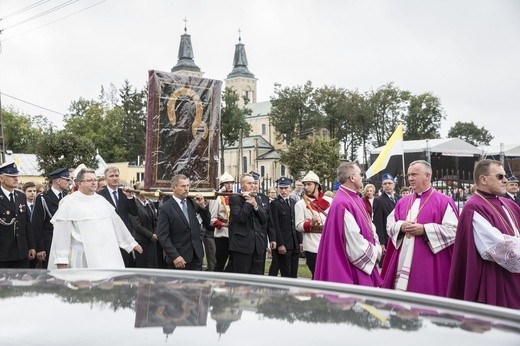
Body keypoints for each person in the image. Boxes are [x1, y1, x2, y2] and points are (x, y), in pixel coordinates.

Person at [447, 159, 520, 309]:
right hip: (496, 279)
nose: (505, 180)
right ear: (483, 179)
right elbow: (499, 248)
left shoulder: (509, 204)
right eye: (500, 176)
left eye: (505, 176)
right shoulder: (473, 207)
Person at [381, 160, 459, 297]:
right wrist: (401, 226)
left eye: (414, 174)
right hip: (403, 257)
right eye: (409, 175)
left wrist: (425, 230)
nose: (410, 178)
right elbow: (390, 225)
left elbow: (454, 231)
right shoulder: (402, 201)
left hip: (429, 263)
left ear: (427, 176)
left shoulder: (444, 201)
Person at [47, 168, 143, 269]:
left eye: (95, 180)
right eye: (89, 180)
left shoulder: (101, 200)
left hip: (103, 255)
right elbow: (61, 234)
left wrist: (130, 243)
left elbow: (117, 223)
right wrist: (62, 260)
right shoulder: (68, 202)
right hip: (82, 256)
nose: (94, 182)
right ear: (79, 183)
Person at [314, 162, 382, 286]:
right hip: (352, 266)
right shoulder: (342, 202)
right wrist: (376, 250)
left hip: (362, 256)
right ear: (352, 178)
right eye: (360, 174)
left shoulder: (354, 198)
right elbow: (354, 241)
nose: (362, 177)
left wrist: (375, 240)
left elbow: (368, 225)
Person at [157, 174, 211, 270]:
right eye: (183, 186)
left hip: (196, 256)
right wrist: (175, 256)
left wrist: (203, 206)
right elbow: (163, 236)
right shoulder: (165, 208)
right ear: (174, 188)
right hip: (179, 259)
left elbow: (207, 222)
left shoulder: (193, 203)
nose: (186, 189)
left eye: (187, 186)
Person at [98, 166, 141, 267]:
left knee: (124, 264)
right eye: (111, 176)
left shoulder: (125, 193)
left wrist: (130, 197)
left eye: (116, 175)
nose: (114, 178)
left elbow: (134, 213)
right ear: (106, 178)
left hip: (124, 236)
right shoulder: (100, 195)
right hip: (108, 236)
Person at [294, 170, 333, 279]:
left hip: (328, 243)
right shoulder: (300, 204)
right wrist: (310, 223)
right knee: (317, 275)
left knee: (329, 275)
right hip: (311, 244)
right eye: (305, 185)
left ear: (317, 185)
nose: (306, 187)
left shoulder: (330, 200)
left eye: (309, 184)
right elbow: (298, 226)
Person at [228, 173, 269, 274]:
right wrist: (248, 203)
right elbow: (241, 219)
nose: (253, 185)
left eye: (254, 183)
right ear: (242, 185)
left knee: (256, 280)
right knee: (242, 280)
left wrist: (255, 205)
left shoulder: (257, 199)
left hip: (257, 246)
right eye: (249, 183)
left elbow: (264, 219)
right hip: (242, 246)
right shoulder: (235, 199)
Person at [32, 167, 71, 269]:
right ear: (58, 181)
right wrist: (40, 248)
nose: (70, 182)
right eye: (67, 180)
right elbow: (37, 225)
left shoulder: (67, 197)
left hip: (65, 242)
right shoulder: (43, 198)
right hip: (49, 242)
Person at [0, 162, 36, 268]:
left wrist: (31, 246)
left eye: (16, 176)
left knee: (21, 283)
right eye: (11, 176)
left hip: (21, 251)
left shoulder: (20, 195)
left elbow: (26, 223)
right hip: (3, 252)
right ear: (2, 178)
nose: (16, 179)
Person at [270, 177, 302, 278]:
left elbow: (297, 222)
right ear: (278, 189)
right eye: (281, 188)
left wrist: (300, 241)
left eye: (286, 188)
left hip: (294, 243)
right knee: (286, 273)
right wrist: (280, 244)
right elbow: (275, 225)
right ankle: (284, 294)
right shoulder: (275, 204)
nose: (283, 191)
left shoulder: (293, 202)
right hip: (284, 244)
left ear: (290, 189)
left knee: (293, 273)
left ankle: (291, 293)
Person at [209, 172, 234, 272]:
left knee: (233, 263)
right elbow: (212, 219)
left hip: (234, 235)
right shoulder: (217, 198)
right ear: (222, 184)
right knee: (220, 263)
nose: (229, 185)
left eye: (231, 183)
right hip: (222, 235)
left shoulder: (235, 196)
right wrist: (225, 224)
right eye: (226, 183)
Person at [372, 173, 399, 266]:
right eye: (385, 184)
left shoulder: (398, 198)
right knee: (387, 265)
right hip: (387, 238)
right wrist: (381, 242)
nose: (387, 186)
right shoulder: (378, 200)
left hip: (398, 235)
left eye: (389, 183)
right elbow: (378, 223)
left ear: (394, 185)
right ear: (382, 186)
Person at [133, 181, 159, 268]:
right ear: (137, 191)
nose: (146, 191)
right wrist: (150, 235)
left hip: (152, 241)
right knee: (143, 265)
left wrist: (155, 233)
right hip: (141, 241)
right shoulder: (133, 204)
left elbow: (155, 219)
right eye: (143, 189)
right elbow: (137, 225)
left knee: (152, 265)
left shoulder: (150, 203)